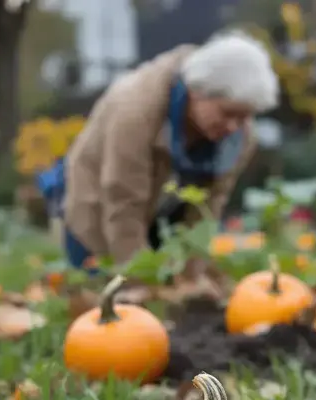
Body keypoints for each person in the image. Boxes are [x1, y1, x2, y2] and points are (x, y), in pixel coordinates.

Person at [45, 31, 279, 269]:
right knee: (107, 296)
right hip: (98, 209)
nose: (233, 127)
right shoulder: (137, 110)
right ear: (197, 92)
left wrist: (193, 271)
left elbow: (209, 206)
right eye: (227, 113)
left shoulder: (241, 136)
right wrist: (138, 276)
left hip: (160, 217)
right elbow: (123, 199)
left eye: (244, 117)